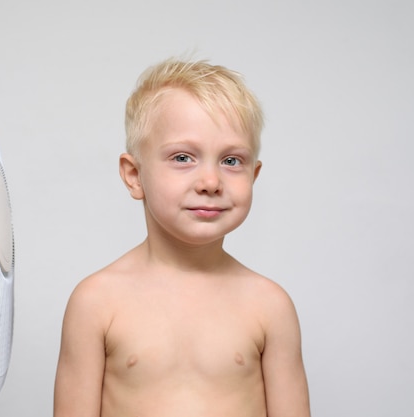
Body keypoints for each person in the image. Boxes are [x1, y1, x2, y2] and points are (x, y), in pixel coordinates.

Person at [54, 58, 310, 417]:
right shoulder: (96, 302)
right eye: (183, 157)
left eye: (232, 161)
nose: (210, 182)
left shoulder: (270, 306)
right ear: (134, 175)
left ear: (254, 174)